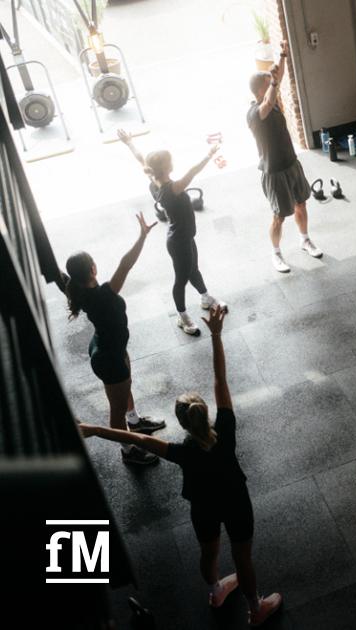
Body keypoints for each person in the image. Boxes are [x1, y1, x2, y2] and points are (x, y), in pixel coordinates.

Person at [79, 307, 283, 626]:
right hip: (235, 501)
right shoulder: (226, 428)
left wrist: (93, 429)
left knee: (209, 552)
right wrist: (215, 334)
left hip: (204, 508)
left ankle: (216, 590)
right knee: (243, 558)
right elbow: (220, 377)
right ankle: (255, 610)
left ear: (182, 423)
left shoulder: (180, 451)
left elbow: (136, 439)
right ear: (204, 412)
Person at [62, 214, 166, 465]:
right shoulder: (104, 294)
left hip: (110, 346)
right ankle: (128, 451)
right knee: (116, 409)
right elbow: (126, 264)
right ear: (93, 269)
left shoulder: (76, 288)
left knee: (124, 389)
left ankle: (135, 421)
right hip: (109, 356)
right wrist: (142, 236)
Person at [116, 129, 224, 336]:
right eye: (170, 160)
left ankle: (205, 297)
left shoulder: (154, 179)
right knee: (181, 279)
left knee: (194, 269)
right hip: (178, 240)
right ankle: (182, 317)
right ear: (166, 167)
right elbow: (193, 172)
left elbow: (142, 161)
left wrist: (130, 143)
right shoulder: (171, 188)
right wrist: (209, 155)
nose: (172, 162)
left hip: (184, 236)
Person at [247, 39, 324, 273]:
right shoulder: (254, 113)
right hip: (274, 171)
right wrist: (273, 81)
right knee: (279, 216)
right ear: (261, 89)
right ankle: (277, 254)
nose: (274, 84)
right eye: (269, 83)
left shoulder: (272, 99)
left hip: (291, 164)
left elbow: (275, 86)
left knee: (301, 204)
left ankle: (304, 239)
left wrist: (283, 56)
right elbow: (269, 100)